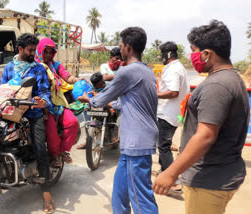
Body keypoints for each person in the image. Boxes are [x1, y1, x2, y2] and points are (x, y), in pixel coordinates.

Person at [153, 20, 249, 214]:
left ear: (207, 54)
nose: (192, 56)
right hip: (223, 173)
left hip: (208, 180)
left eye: (194, 51)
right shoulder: (232, 78)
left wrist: (170, 173)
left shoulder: (216, 86)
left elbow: (205, 136)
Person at [78, 27, 158, 214]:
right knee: (120, 195)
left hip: (136, 143)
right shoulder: (147, 71)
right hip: (136, 142)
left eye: (121, 45)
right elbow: (132, 103)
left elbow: (100, 99)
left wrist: (88, 98)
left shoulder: (126, 72)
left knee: (141, 200)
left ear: (128, 48)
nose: (119, 49)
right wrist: (114, 104)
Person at [0, 33, 54, 214]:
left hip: (33, 113)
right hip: (10, 112)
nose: (33, 53)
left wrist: (42, 102)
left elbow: (46, 93)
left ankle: (47, 194)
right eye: (30, 50)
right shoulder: (9, 68)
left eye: (34, 50)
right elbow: (2, 89)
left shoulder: (39, 69)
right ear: (20, 49)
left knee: (40, 147)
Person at [35, 37, 82, 166]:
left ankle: (63, 151)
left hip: (58, 102)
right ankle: (55, 155)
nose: (49, 55)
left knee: (72, 123)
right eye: (46, 52)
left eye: (51, 52)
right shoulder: (34, 66)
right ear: (40, 51)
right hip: (42, 105)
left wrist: (76, 79)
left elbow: (66, 75)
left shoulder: (55, 66)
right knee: (51, 131)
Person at [155, 41, 189, 194]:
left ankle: (173, 180)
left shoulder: (174, 69)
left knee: (163, 146)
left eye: (162, 54)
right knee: (163, 144)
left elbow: (173, 92)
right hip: (174, 113)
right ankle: (163, 170)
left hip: (167, 114)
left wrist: (154, 94)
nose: (161, 57)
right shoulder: (178, 67)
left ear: (168, 54)